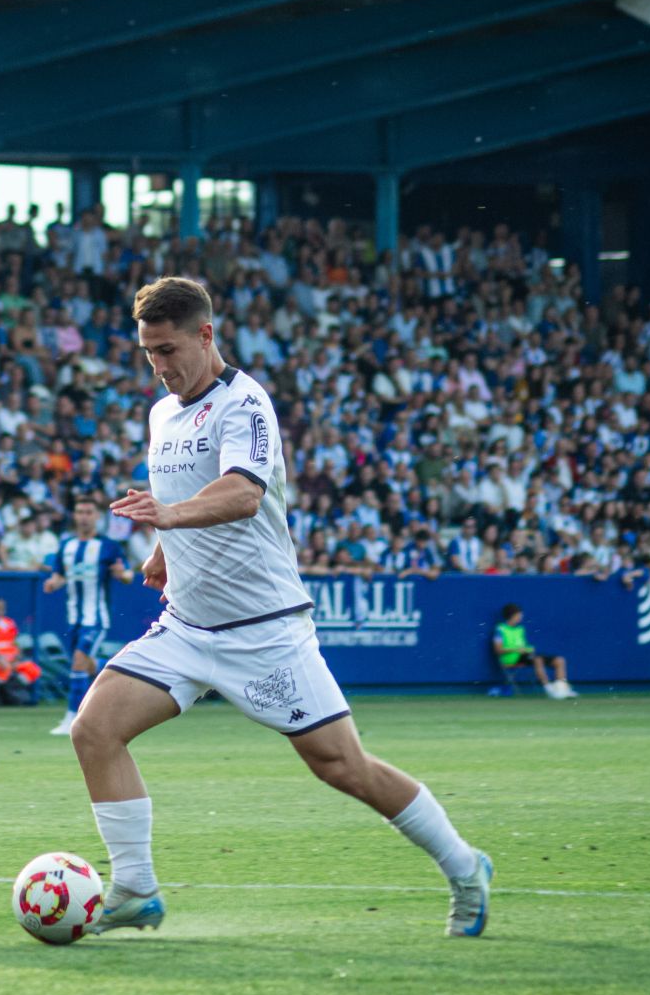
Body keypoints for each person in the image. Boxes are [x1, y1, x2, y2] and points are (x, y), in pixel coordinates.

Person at [78, 277, 492, 937]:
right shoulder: (162, 413)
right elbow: (181, 493)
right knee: (93, 729)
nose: (158, 365)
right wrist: (164, 548)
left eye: (167, 348)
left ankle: (465, 864)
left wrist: (170, 517)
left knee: (341, 766)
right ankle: (135, 886)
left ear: (205, 334)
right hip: (186, 626)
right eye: (147, 352)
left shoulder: (245, 404)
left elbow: (241, 493)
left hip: (264, 632)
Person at [43, 497, 134, 736]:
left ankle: (73, 718)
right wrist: (54, 583)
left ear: (96, 516)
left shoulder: (108, 546)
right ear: (74, 516)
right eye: (80, 512)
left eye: (88, 512)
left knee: (78, 661)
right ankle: (122, 670)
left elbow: (126, 575)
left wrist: (121, 574)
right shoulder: (67, 546)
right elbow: (60, 575)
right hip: (74, 618)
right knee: (87, 666)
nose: (84, 516)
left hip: (96, 618)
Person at [491, 603, 577, 699]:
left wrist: (528, 649)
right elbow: (498, 650)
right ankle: (549, 690)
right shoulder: (500, 629)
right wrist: (517, 649)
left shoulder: (520, 629)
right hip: (510, 659)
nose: (521, 617)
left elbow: (523, 646)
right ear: (512, 615)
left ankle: (562, 689)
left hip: (524, 656)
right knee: (537, 659)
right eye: (519, 615)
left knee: (559, 660)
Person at [0, 597, 38, 705]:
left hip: (12, 659)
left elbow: (15, 642)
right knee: (2, 669)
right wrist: (0, 658)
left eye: (1, 608)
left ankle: (11, 690)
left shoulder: (9, 622)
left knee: (32, 669)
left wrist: (17, 657)